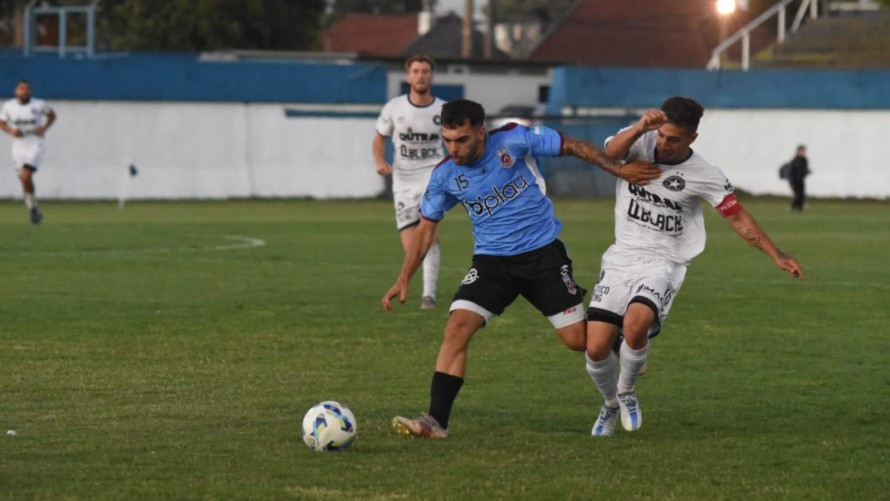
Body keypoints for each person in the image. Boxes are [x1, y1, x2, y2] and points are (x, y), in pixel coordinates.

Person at [381, 99, 661, 439]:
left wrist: (617, 170)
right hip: (492, 263)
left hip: (543, 257)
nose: (453, 148)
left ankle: (622, 338)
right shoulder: (444, 176)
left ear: (481, 133)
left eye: (462, 140)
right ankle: (436, 422)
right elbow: (425, 230)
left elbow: (573, 145)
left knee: (579, 342)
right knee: (456, 329)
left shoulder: (515, 140)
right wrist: (403, 277)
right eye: (448, 140)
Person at [585, 96, 804, 437]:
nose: (664, 144)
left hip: (665, 261)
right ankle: (610, 404)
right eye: (661, 135)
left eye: (674, 139)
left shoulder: (704, 175)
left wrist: (776, 254)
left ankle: (626, 393)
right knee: (596, 347)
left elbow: (738, 217)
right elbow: (609, 155)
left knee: (635, 324)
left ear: (692, 139)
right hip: (622, 255)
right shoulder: (639, 140)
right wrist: (642, 126)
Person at [373, 55, 447, 309]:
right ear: (408, 76)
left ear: (432, 76)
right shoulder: (394, 108)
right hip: (403, 180)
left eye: (425, 71)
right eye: (415, 71)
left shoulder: (443, 110)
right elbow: (379, 137)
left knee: (428, 233)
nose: (420, 76)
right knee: (411, 244)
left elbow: (455, 139)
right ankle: (410, 283)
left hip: (433, 175)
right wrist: (380, 161)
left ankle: (429, 295)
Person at [0, 79, 56, 225]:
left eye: (27, 88)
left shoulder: (39, 104)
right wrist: (11, 131)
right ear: (16, 91)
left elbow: (52, 115)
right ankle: (33, 207)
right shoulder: (9, 106)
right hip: (18, 146)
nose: (25, 91)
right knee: (24, 179)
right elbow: (2, 123)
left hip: (35, 143)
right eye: (22, 88)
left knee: (26, 174)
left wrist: (43, 128)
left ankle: (32, 207)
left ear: (30, 91)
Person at [788, 144, 810, 212]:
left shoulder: (804, 160)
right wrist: (791, 183)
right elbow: (790, 173)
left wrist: (807, 172)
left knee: (801, 195)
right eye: (801, 151)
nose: (802, 153)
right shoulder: (794, 161)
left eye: (803, 151)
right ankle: (794, 207)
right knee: (797, 195)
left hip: (801, 180)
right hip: (795, 181)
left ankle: (799, 208)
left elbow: (804, 170)